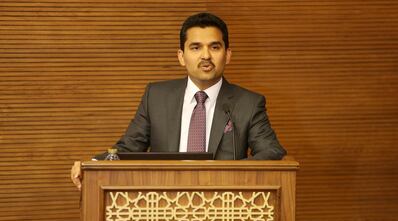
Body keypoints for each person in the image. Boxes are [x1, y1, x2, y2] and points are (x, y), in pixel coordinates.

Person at [71, 12, 286, 190]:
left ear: (227, 55)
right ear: (181, 56)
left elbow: (271, 150)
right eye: (195, 47)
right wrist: (92, 165)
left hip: (224, 204)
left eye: (214, 47)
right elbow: (128, 148)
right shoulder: (156, 96)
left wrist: (227, 175)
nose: (205, 56)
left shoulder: (248, 103)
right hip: (163, 203)